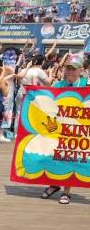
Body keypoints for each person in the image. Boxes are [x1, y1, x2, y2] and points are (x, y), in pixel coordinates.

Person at [41, 53, 87, 205]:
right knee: (54, 155)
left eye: (74, 69)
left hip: (77, 130)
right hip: (58, 127)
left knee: (71, 157)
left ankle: (67, 192)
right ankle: (54, 184)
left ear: (80, 70)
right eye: (68, 69)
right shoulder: (58, 85)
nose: (70, 72)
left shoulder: (86, 85)